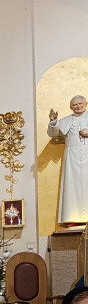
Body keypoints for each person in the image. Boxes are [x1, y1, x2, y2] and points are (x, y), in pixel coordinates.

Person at [48, 96, 88, 226]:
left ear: (86, 104)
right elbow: (53, 133)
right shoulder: (66, 120)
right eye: (74, 105)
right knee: (72, 185)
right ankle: (73, 218)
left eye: (80, 103)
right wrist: (53, 121)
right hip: (72, 158)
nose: (78, 106)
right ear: (71, 107)